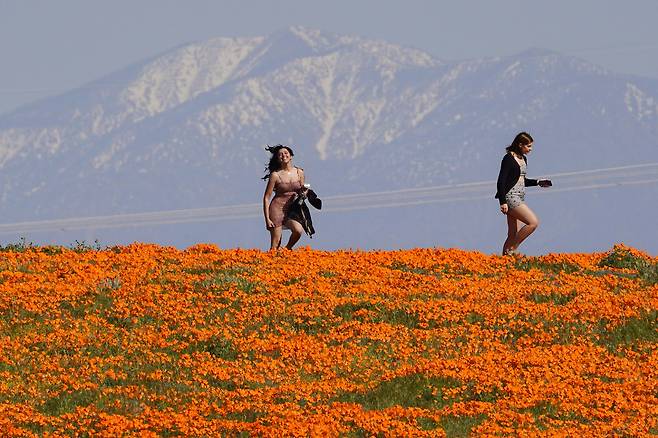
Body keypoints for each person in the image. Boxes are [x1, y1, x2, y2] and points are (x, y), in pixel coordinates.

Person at [495, 132, 552, 256]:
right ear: (520, 145)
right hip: (511, 197)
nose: (530, 149)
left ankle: (503, 262)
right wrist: (503, 201)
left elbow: (521, 181)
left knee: (512, 234)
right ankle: (512, 250)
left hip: (519, 196)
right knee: (533, 222)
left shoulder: (523, 159)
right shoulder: (508, 158)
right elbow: (501, 181)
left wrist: (538, 182)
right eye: (528, 146)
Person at [262, 145, 308, 250]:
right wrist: (267, 219)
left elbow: (302, 192)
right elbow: (266, 198)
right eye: (280, 154)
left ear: (291, 156)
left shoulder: (299, 172)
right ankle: (269, 263)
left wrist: (305, 193)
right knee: (276, 242)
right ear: (278, 159)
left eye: (286, 153)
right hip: (276, 209)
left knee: (298, 230)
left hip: (292, 210)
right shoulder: (275, 175)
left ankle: (286, 249)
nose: (284, 155)